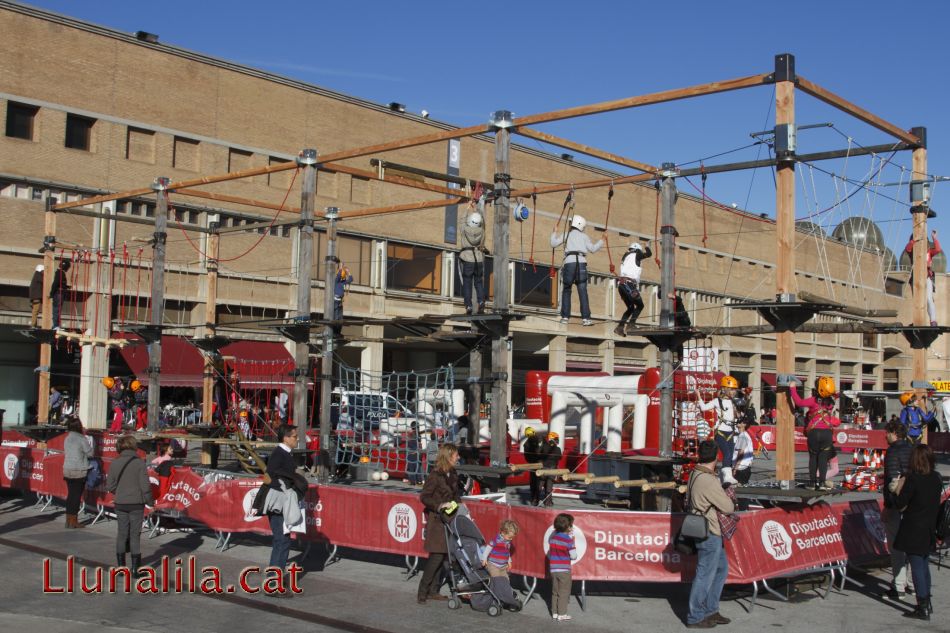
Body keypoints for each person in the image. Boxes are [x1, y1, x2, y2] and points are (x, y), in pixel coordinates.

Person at [685, 440, 734, 629]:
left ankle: (711, 609)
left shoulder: (696, 473)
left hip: (700, 527)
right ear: (716, 457)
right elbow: (728, 507)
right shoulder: (708, 479)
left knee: (721, 569)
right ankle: (695, 616)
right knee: (705, 574)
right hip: (710, 530)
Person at [893, 444, 943, 620]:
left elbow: (900, 503)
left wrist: (898, 487)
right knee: (923, 565)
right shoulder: (936, 478)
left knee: (917, 568)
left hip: (914, 527)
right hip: (929, 526)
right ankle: (926, 601)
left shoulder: (913, 479)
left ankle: (922, 605)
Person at [417, 443, 461, 604]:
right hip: (437, 520)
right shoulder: (435, 475)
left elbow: (456, 495)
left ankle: (433, 590)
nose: (458, 458)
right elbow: (424, 496)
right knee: (436, 556)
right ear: (449, 456)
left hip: (450, 518)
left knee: (444, 556)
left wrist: (460, 504)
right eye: (456, 455)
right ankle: (422, 592)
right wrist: (439, 506)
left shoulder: (453, 473)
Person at [107, 434, 153, 575]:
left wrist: (119, 493)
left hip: (120, 502)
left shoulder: (115, 462)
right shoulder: (139, 463)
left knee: (121, 534)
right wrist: (150, 503)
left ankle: (121, 568)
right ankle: (135, 569)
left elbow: (110, 485)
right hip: (136, 503)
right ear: (134, 446)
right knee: (134, 535)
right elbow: (145, 486)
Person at [550, 214, 603, 326]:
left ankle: (565, 317)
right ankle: (586, 318)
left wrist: (554, 232)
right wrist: (602, 240)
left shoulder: (566, 234)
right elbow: (593, 249)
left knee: (567, 289)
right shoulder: (584, 236)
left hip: (569, 263)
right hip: (581, 264)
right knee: (582, 291)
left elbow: (553, 243)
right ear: (581, 225)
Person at [789, 376, 841, 490]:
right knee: (823, 458)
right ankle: (822, 483)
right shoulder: (831, 403)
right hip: (827, 433)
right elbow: (834, 396)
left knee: (813, 458)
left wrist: (792, 388)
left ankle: (812, 483)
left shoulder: (813, 400)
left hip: (814, 433)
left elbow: (799, 402)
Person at [266, 424, 300, 592]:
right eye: (294, 436)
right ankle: (273, 582)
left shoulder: (285, 454)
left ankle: (275, 578)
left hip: (281, 502)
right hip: (279, 504)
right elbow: (271, 473)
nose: (297, 439)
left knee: (283, 540)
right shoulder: (279, 454)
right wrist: (292, 479)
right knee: (281, 541)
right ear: (286, 438)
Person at [882, 420, 914, 600]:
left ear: (894, 432)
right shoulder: (911, 448)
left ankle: (899, 585)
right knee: (910, 545)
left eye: (887, 432)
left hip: (897, 505)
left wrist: (888, 506)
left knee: (895, 547)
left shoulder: (893, 451)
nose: (885, 435)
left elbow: (893, 481)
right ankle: (911, 583)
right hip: (912, 504)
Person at [694, 376, 741, 486]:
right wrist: (699, 396)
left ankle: (722, 477)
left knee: (731, 455)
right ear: (724, 389)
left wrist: (747, 394)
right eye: (732, 389)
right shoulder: (717, 401)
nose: (734, 392)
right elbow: (704, 408)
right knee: (727, 453)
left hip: (730, 431)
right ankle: (727, 476)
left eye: (735, 390)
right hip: (720, 431)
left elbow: (743, 402)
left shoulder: (733, 402)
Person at [904, 229, 941, 326]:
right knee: (917, 300)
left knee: (929, 299)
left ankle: (933, 320)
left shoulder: (929, 252)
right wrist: (914, 240)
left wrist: (934, 238)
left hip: (926, 277)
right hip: (915, 278)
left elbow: (937, 249)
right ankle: (917, 320)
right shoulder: (912, 252)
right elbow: (907, 248)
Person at [615, 241, 652, 336]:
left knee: (631, 308)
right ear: (637, 250)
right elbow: (648, 254)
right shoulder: (636, 253)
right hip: (629, 284)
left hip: (621, 285)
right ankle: (631, 325)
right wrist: (647, 247)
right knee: (640, 305)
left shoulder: (625, 256)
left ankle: (620, 327)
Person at [62, 416, 92, 529]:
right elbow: (90, 453)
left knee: (70, 495)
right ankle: (74, 520)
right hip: (78, 470)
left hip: (67, 468)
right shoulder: (81, 439)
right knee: (76, 496)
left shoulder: (67, 438)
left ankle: (68, 520)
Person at [548, 512, 577, 622]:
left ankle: (554, 612)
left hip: (553, 569)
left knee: (555, 591)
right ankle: (562, 613)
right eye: (571, 525)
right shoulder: (569, 540)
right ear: (568, 527)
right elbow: (573, 556)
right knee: (564, 592)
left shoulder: (553, 538)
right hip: (564, 570)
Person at [459, 209, 487, 315]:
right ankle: (481, 301)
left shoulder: (464, 229)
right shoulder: (482, 231)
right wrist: (479, 214)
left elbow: (461, 221)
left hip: (467, 258)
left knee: (467, 282)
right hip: (478, 259)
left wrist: (467, 209)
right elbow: (483, 224)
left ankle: (468, 305)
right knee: (478, 282)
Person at [539, 431, 562, 507]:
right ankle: (548, 502)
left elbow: (539, 455)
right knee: (549, 487)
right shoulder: (557, 449)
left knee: (540, 485)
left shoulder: (543, 447)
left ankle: (535, 500)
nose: (557, 440)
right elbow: (559, 457)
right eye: (556, 439)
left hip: (542, 469)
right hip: (552, 470)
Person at [521, 426, 543, 505]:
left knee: (534, 482)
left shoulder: (526, 444)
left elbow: (527, 457)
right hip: (540, 464)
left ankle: (534, 499)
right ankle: (539, 499)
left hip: (533, 465)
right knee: (539, 482)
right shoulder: (540, 440)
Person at [49, 258, 71, 330]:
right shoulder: (59, 273)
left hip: (60, 293)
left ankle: (57, 325)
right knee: (56, 309)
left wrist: (66, 287)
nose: (68, 269)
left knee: (58, 309)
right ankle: (56, 325)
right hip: (58, 293)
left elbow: (60, 283)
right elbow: (55, 283)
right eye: (68, 267)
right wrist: (51, 293)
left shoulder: (60, 273)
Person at [731, 418, 754, 485]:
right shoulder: (743, 435)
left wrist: (735, 468)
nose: (738, 422)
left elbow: (741, 453)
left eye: (740, 422)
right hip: (744, 468)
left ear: (744, 425)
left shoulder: (742, 436)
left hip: (741, 469)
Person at [333, 263, 353, 335]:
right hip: (335, 301)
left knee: (340, 318)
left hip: (340, 302)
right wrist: (340, 268)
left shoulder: (343, 282)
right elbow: (338, 276)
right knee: (335, 317)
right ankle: (335, 332)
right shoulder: (336, 281)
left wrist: (348, 272)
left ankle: (338, 332)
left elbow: (351, 279)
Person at [29, 264, 44, 328]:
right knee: (35, 311)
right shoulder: (39, 275)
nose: (44, 272)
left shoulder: (36, 275)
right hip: (36, 298)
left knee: (35, 311)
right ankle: (33, 325)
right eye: (43, 271)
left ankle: (34, 325)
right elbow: (45, 281)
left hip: (34, 297)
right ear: (40, 270)